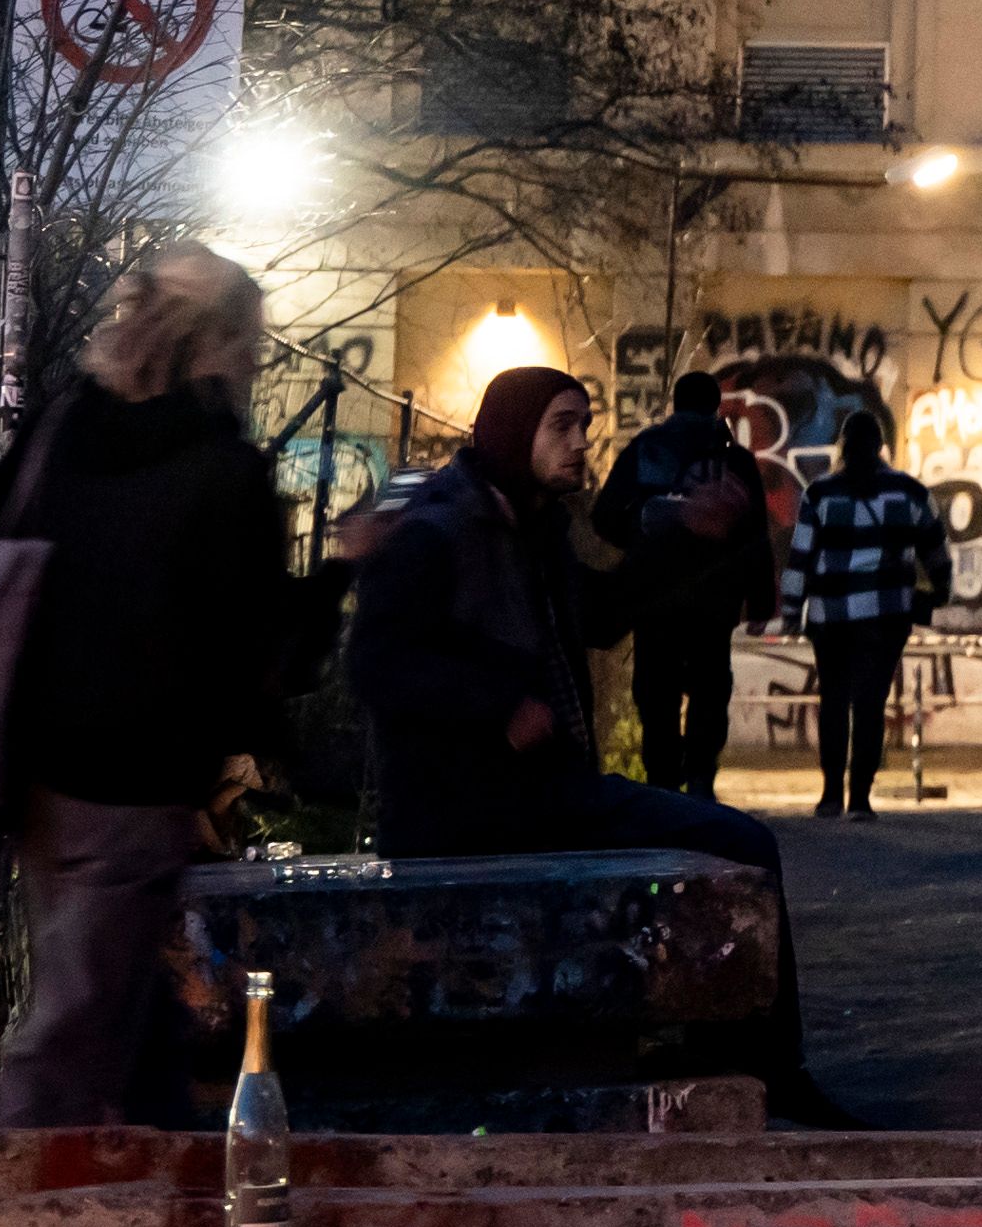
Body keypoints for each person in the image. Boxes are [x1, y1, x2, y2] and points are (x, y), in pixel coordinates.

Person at [0, 251, 365, 1227]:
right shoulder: (223, 470)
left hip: (34, 783)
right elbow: (258, 661)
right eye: (254, 343)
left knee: (135, 1053)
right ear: (224, 343)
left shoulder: (61, 433)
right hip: (130, 799)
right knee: (58, 1061)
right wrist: (338, 571)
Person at [346, 358, 831, 1100]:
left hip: (543, 792)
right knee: (742, 844)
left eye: (585, 426)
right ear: (515, 432)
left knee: (738, 847)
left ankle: (744, 1064)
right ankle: (764, 1071)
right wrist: (498, 705)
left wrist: (690, 537)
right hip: (470, 810)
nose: (580, 443)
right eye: (562, 426)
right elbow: (376, 662)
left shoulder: (535, 528)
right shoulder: (437, 529)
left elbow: (601, 614)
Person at [598, 370, 774, 797]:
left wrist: (641, 535)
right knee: (710, 691)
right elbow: (754, 536)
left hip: (654, 596)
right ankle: (700, 781)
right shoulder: (736, 461)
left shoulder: (645, 450)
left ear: (675, 403)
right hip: (715, 599)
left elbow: (603, 515)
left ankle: (662, 783)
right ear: (716, 406)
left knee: (656, 695)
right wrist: (761, 600)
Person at [786, 410, 950, 817]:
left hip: (831, 617)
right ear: (881, 447)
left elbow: (800, 557)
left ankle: (829, 795)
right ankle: (860, 797)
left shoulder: (820, 494)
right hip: (886, 616)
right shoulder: (909, 493)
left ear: (842, 447)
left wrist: (791, 609)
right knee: (871, 704)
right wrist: (938, 595)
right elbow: (937, 553)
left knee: (834, 701)